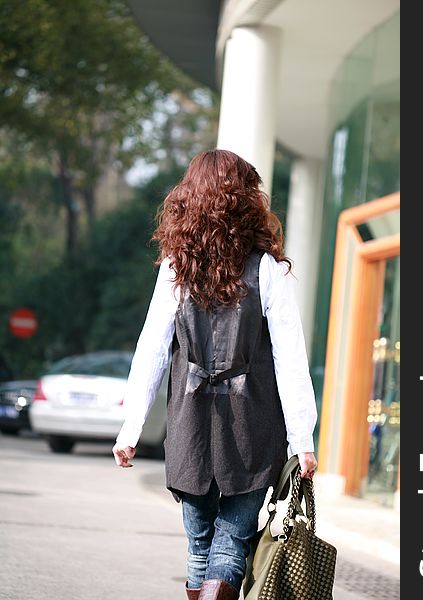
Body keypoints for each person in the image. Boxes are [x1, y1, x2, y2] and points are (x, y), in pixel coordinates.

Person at [112, 149, 318, 600]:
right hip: (253, 426)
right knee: (231, 545)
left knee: (200, 548)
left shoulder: (175, 267)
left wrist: (131, 427)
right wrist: (303, 439)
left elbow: (153, 350)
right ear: (245, 200)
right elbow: (290, 358)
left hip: (190, 427)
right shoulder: (267, 268)